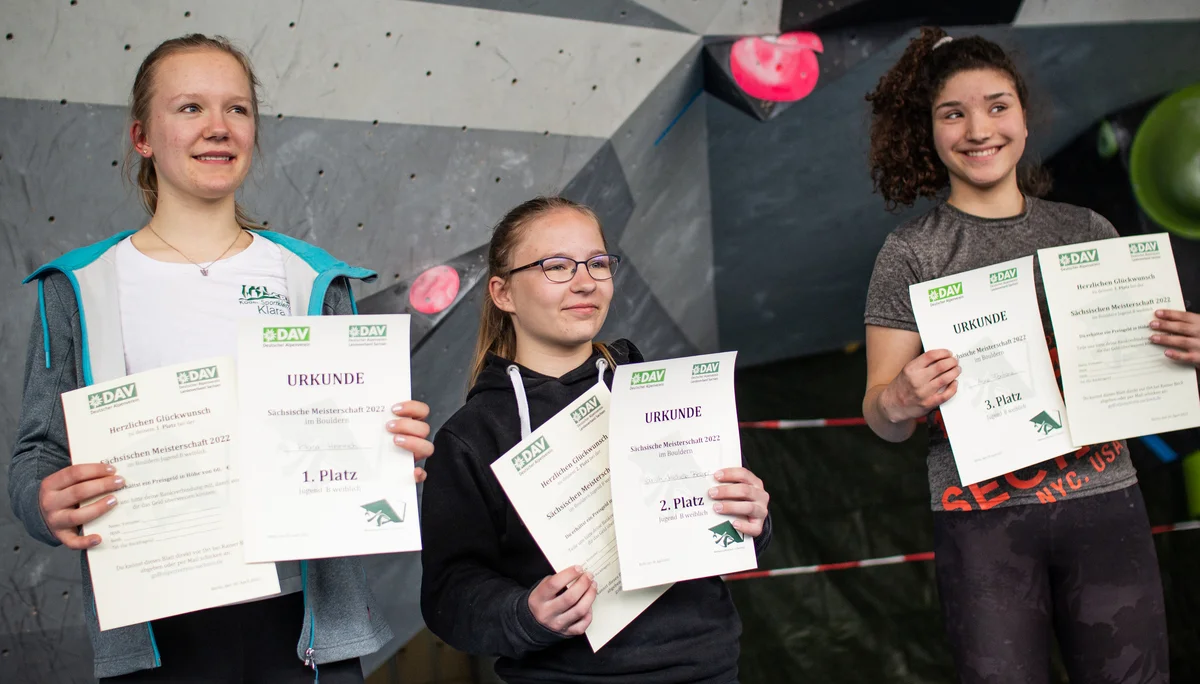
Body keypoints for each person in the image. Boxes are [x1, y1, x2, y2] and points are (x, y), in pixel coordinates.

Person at [7, 34, 433, 683]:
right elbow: (37, 453)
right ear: (142, 136)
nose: (218, 128)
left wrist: (386, 455)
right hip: (156, 626)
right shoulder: (79, 287)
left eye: (237, 109)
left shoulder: (312, 279)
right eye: (189, 108)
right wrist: (45, 500)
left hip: (301, 628)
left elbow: (350, 443)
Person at [860, 27, 1168, 683]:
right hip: (981, 526)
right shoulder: (910, 253)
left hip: (1106, 506)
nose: (979, 129)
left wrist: (1182, 353)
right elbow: (882, 419)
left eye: (997, 105)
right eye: (954, 113)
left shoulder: (1087, 231)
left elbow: (1141, 374)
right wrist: (899, 398)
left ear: (1024, 116)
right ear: (930, 131)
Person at [419, 196, 771, 683]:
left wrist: (753, 516)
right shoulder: (472, 437)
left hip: (707, 669)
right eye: (556, 266)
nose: (585, 282)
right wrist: (525, 613)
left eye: (598, 263)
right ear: (503, 293)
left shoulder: (667, 396)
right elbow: (448, 595)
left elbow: (736, 535)